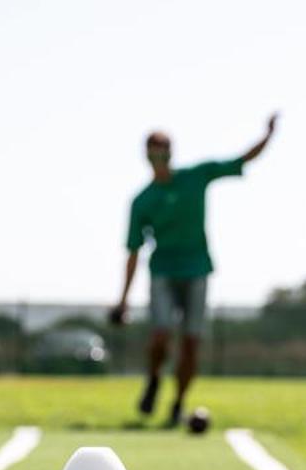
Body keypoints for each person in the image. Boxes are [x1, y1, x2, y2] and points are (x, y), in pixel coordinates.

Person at [111, 113, 278, 426]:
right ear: (146, 156)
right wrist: (123, 299)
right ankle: (154, 379)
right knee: (160, 335)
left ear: (171, 153)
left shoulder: (196, 176)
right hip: (162, 272)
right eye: (153, 151)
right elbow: (133, 252)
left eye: (163, 150)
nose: (158, 156)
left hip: (197, 270)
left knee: (190, 343)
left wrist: (267, 136)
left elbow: (241, 160)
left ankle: (178, 402)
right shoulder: (142, 201)